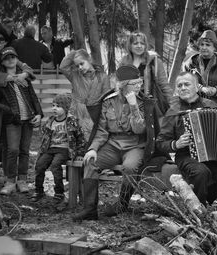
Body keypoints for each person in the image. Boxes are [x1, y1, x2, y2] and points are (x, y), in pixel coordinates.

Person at [72, 65, 146, 221]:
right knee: (91, 162)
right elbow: (101, 130)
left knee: (130, 167)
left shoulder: (142, 101)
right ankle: (90, 209)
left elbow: (139, 130)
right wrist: (93, 149)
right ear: (124, 85)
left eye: (140, 82)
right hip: (113, 143)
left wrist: (133, 106)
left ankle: (122, 205)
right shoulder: (109, 101)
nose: (140, 86)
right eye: (135, 83)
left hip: (134, 144)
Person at [156, 72, 217, 210]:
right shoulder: (174, 111)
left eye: (187, 84)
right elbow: (160, 142)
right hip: (186, 156)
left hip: (213, 157)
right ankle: (198, 214)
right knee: (201, 172)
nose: (182, 88)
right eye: (179, 85)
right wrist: (176, 144)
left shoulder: (211, 106)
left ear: (196, 87)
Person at [0, 24, 33, 190]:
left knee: (6, 143)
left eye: (0, 39)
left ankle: (6, 177)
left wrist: (24, 72)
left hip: (10, 106)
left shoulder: (7, 52)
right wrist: (11, 77)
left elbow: (25, 66)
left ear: (5, 40)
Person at [0, 47, 42, 195]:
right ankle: (10, 181)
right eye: (6, 58)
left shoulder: (24, 78)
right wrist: (9, 110)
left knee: (24, 151)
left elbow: (33, 97)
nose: (10, 59)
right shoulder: (1, 80)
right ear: (3, 62)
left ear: (17, 59)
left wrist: (39, 114)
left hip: (28, 119)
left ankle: (22, 180)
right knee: (12, 150)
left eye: (13, 57)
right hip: (12, 120)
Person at [32, 93, 86, 202]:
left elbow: (80, 137)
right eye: (53, 105)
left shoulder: (71, 121)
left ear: (65, 108)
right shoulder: (51, 120)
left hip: (65, 149)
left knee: (55, 165)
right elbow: (45, 136)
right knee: (39, 165)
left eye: (58, 106)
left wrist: (80, 153)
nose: (54, 108)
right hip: (51, 148)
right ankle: (39, 191)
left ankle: (59, 192)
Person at [60, 49, 111, 140]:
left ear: (89, 60)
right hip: (76, 113)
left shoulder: (103, 77)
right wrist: (73, 53)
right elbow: (63, 67)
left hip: (94, 114)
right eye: (77, 65)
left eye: (82, 63)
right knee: (75, 143)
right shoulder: (74, 75)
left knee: (91, 141)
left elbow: (106, 98)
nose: (80, 67)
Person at [119, 31, 173, 116]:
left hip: (151, 105)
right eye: (135, 43)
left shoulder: (154, 61)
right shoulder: (124, 62)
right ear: (130, 45)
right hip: (130, 105)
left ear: (146, 46)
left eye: (142, 43)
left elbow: (164, 85)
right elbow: (120, 87)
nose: (139, 46)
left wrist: (172, 105)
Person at [183, 30, 217, 110]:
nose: (204, 47)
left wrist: (216, 90)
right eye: (202, 44)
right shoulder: (190, 64)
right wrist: (201, 88)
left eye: (208, 45)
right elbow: (184, 86)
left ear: (215, 48)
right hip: (195, 110)